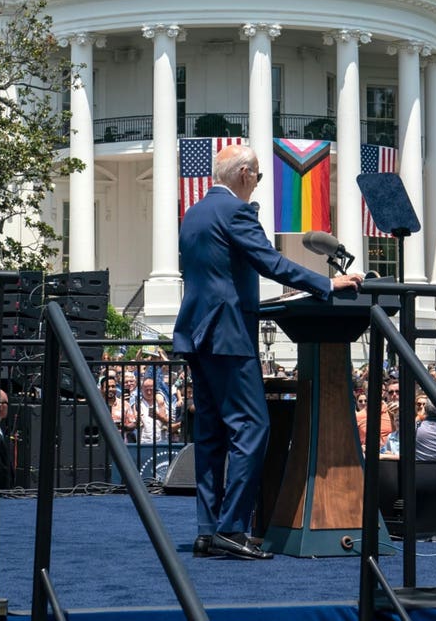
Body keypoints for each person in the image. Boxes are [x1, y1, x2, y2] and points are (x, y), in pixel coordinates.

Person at [172, 144, 362, 561]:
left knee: (210, 434)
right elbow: (270, 262)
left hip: (197, 334)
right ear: (243, 173)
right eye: (257, 175)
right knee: (252, 427)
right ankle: (233, 528)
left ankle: (208, 530)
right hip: (228, 334)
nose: (258, 182)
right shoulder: (236, 212)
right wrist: (328, 284)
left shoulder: (194, 213)